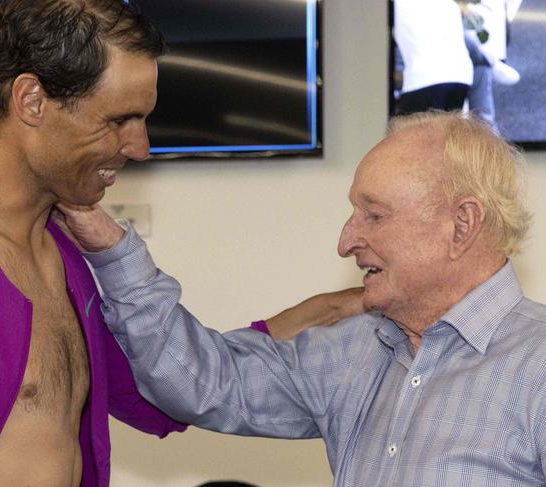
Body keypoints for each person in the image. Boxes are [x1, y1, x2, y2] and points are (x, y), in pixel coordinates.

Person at [0, 1, 363, 484]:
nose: (140, 148)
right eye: (119, 120)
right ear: (31, 100)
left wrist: (333, 311)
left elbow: (167, 390)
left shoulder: (63, 252)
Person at [62, 110, 546, 486]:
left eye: (373, 216)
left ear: (461, 225)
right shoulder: (354, 352)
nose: (345, 241)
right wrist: (112, 250)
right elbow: (204, 381)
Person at [393, 0, 473, 114]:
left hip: (423, 79)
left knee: (410, 129)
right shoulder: (449, 4)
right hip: (460, 76)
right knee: (446, 128)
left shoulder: (399, 4)